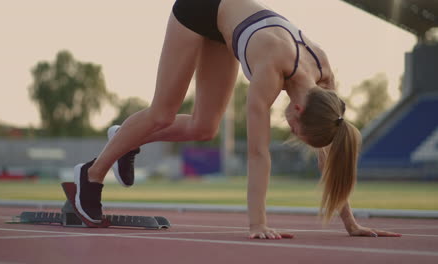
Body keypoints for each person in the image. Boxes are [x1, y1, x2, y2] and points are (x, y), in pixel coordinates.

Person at [73, 0, 402, 239]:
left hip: (224, 27)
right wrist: (257, 223)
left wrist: (350, 222)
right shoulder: (269, 73)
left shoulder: (325, 82)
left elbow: (331, 152)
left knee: (204, 127)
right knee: (162, 113)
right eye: (294, 130)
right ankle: (92, 174)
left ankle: (125, 139)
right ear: (298, 111)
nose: (288, 128)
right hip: (199, 9)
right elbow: (259, 154)